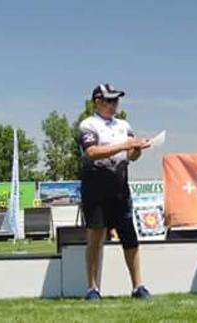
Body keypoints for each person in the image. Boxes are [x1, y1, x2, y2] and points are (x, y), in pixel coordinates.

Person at [79, 83, 151, 300]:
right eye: (109, 100)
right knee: (95, 235)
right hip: (95, 186)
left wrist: (136, 150)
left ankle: (138, 286)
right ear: (97, 102)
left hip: (120, 187)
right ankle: (93, 288)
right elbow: (91, 152)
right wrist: (123, 145)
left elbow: (130, 156)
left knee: (129, 235)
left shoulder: (124, 125)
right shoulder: (88, 124)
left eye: (116, 100)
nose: (113, 105)